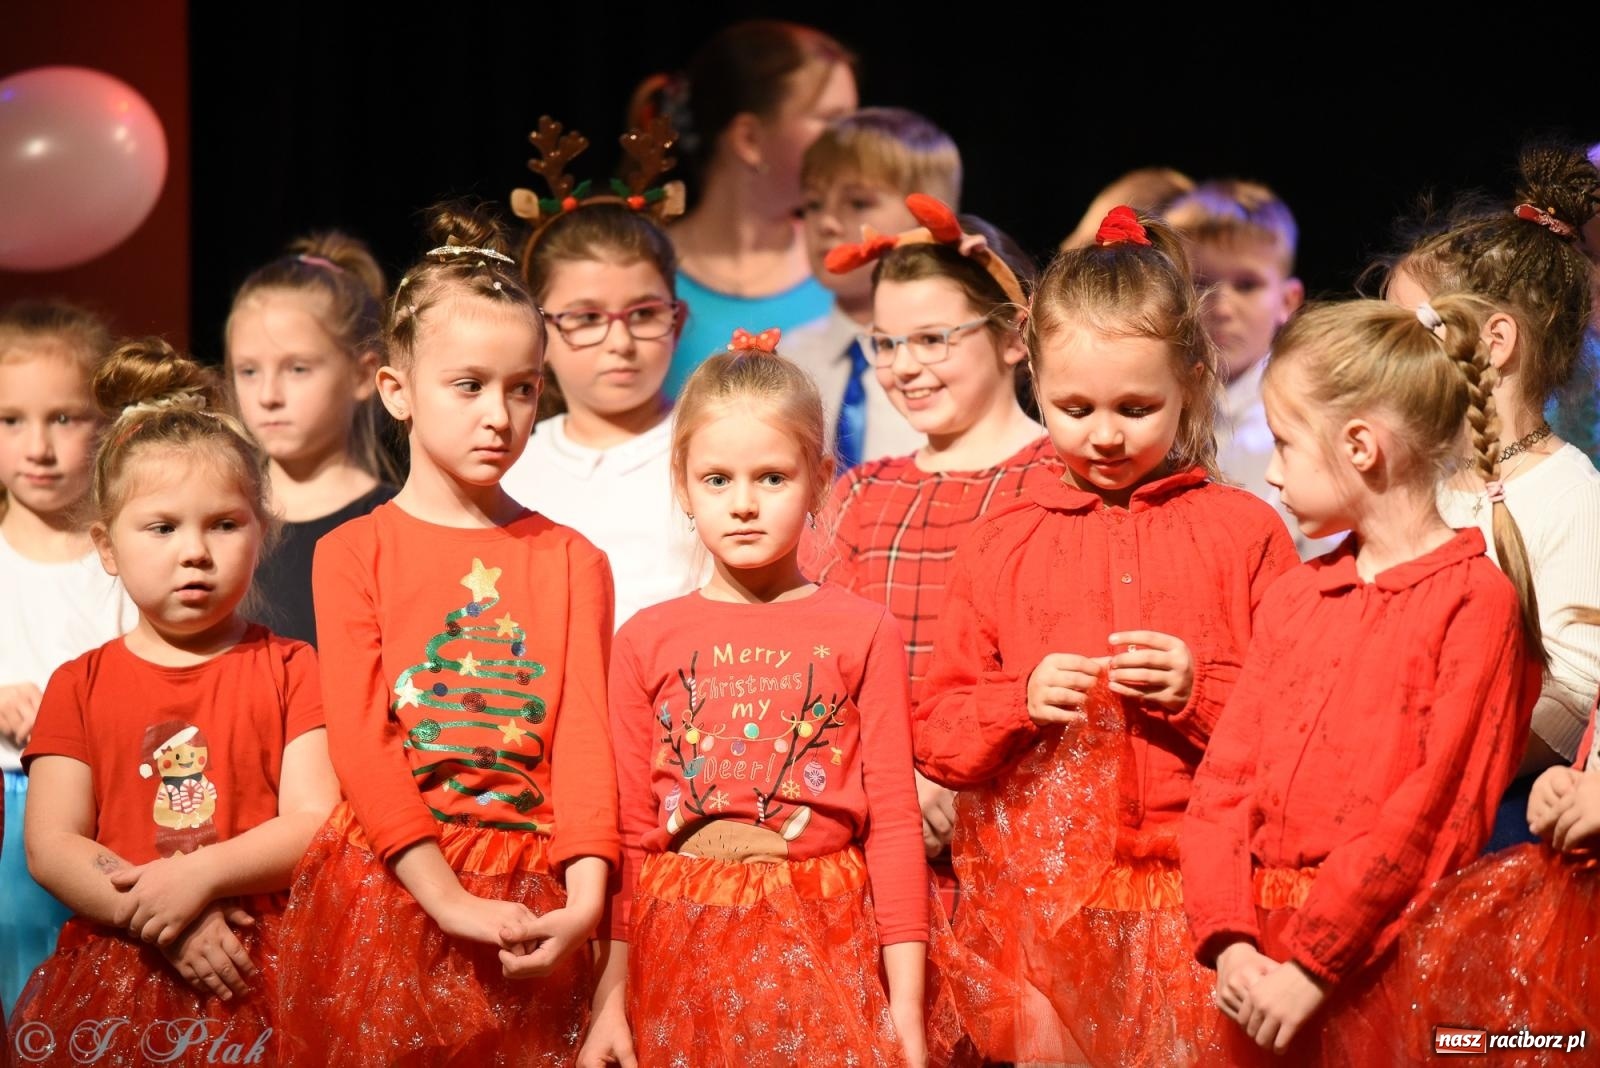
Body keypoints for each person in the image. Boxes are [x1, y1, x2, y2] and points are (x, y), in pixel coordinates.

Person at [915, 207, 1296, 1065]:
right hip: (1044, 911)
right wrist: (1021, 702)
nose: (1107, 434)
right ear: (1036, 384)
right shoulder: (1002, 539)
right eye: (1074, 406)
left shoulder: (1245, 533)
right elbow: (937, 727)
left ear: (1193, 383)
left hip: (1201, 898)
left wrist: (1203, 690)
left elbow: (1304, 726)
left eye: (1137, 405)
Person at [277, 203, 618, 1065]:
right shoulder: (353, 551)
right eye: (467, 386)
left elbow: (582, 741)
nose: (498, 415)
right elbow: (364, 741)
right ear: (396, 391)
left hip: (533, 891)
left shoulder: (573, 559)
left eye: (521, 387)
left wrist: (583, 900)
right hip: (397, 886)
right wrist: (445, 898)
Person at [1182, 295, 1542, 1064]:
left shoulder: (1474, 603)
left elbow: (1431, 814)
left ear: (1360, 445)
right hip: (1262, 962)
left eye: (1284, 444)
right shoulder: (1296, 596)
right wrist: (1231, 940)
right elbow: (1224, 783)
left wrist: (1315, 965)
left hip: (1379, 962)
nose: (1271, 473)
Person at [586, 333, 930, 1067]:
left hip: (822, 943)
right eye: (717, 480)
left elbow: (895, 824)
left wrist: (904, 1009)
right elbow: (629, 833)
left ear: (818, 478)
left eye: (771, 478)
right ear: (682, 484)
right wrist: (609, 996)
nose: (743, 504)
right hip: (681, 949)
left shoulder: (862, 628)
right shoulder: (646, 638)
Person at [10, 339, 336, 1065]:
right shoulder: (79, 682)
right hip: (125, 966)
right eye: (161, 527)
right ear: (106, 544)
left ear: (263, 533)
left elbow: (314, 821)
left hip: (262, 972)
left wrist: (199, 876)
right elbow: (53, 844)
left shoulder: (292, 668)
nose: (195, 551)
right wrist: (168, 919)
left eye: (224, 524)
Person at [1386, 141, 1600, 848]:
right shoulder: (1420, 477)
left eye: (1413, 332)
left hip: (1495, 819)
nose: (1390, 356)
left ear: (1496, 341)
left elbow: (1573, 688)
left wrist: (1451, 765)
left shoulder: (1569, 492)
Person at [503, 117, 702, 627]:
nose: (621, 343)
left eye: (643, 315)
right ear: (537, 333)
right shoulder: (510, 463)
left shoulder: (710, 450)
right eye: (587, 318)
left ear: (677, 322)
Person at [0, 301, 136, 1014]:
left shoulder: (122, 556)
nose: (39, 448)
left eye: (64, 418)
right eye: (11, 421)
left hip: (109, 804)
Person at [635, 20, 858, 395]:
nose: (854, 141)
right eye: (832, 121)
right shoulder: (642, 272)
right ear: (749, 138)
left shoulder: (849, 269)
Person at [224, 231, 398, 646]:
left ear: (362, 374)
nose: (268, 396)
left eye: (297, 369)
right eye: (248, 371)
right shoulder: (219, 518)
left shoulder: (395, 522)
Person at [1164, 179, 1339, 560]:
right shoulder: (1156, 407)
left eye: (1246, 285)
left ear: (1287, 300)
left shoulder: (1312, 412)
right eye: (1200, 283)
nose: (1222, 308)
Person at [786, 107, 962, 466]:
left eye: (858, 203)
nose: (828, 223)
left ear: (928, 213)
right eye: (814, 205)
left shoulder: (954, 360)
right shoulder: (790, 361)